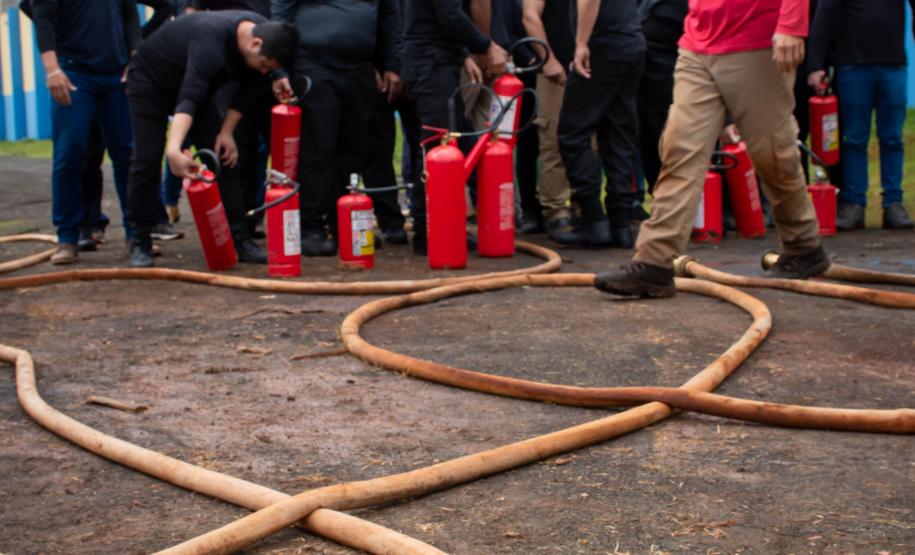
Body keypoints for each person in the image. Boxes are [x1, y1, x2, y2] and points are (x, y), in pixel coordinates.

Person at [595, 0, 830, 298]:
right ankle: (654, 261)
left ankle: (802, 245)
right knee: (679, 150)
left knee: (772, 153)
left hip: (757, 42)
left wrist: (791, 25)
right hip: (697, 44)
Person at [124, 11, 297, 267]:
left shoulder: (262, 34)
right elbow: (189, 95)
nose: (265, 71)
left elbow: (246, 94)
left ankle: (240, 239)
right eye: (264, 65)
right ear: (255, 44)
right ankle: (140, 240)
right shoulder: (211, 39)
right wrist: (173, 149)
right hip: (152, 83)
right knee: (147, 158)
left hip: (199, 91)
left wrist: (226, 133)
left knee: (222, 156)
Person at [272, 0, 403, 257]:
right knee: (317, 147)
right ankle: (310, 225)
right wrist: (279, 71)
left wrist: (392, 65)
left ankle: (343, 220)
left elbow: (390, 17)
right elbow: (280, 14)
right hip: (313, 63)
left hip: (360, 67)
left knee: (354, 147)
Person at [27, 0, 139, 265]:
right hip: (73, 73)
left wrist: (136, 57)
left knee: (128, 154)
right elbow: (42, 18)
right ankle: (68, 237)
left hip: (116, 74)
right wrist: (52, 69)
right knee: (70, 153)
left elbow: (130, 17)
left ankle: (137, 235)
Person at [401, 0, 508, 255]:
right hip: (430, 64)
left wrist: (462, 55)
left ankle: (442, 228)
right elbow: (449, 15)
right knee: (437, 149)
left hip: (439, 61)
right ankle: (431, 233)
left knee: (449, 143)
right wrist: (486, 45)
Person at [807, 0, 915, 231]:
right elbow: (823, 17)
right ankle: (854, 204)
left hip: (893, 65)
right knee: (854, 140)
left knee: (892, 139)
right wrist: (816, 65)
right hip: (853, 67)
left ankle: (893, 204)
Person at [554, 0, 646, 249]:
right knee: (618, 134)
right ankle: (621, 223)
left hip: (603, 44)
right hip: (631, 41)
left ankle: (593, 219)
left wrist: (581, 44)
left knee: (572, 132)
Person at [522, 0, 574, 241]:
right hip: (556, 69)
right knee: (552, 138)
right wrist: (549, 60)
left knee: (589, 140)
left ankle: (583, 203)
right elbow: (530, 16)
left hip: (587, 67)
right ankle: (556, 210)